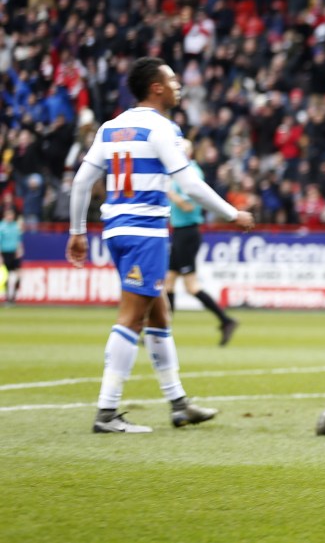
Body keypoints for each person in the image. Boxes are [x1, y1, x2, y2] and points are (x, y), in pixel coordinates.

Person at [66, 57, 255, 434]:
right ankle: (106, 412)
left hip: (117, 230)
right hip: (145, 232)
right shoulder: (161, 129)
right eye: (172, 80)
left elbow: (81, 182)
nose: (178, 86)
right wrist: (232, 213)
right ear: (156, 88)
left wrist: (77, 231)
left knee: (160, 313)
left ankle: (179, 404)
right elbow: (190, 185)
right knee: (132, 317)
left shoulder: (111, 127)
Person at [165, 138, 239, 346]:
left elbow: (189, 207)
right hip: (180, 232)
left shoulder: (191, 173)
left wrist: (169, 192)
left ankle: (226, 320)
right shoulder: (181, 173)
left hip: (187, 233)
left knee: (191, 286)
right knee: (168, 283)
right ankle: (162, 331)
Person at [0, 207, 24, 304]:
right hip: (5, 252)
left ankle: (13, 296)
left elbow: (18, 240)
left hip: (14, 253)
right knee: (6, 276)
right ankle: (7, 297)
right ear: (5, 216)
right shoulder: (2, 227)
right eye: (9, 215)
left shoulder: (15, 226)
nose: (10, 217)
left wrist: (20, 250)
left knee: (16, 275)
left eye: (12, 215)